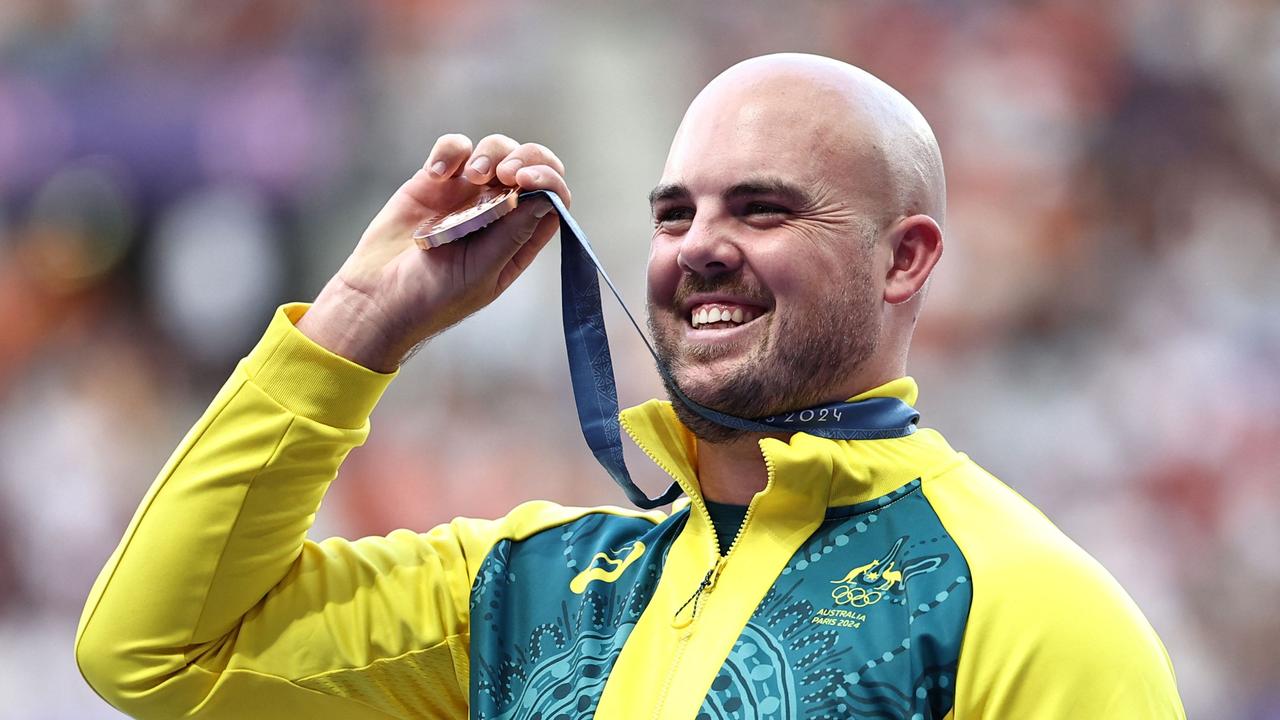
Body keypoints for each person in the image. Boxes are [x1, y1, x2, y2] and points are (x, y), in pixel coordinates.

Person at [75, 53, 1185, 719]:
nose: (695, 247)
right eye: (672, 213)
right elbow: (155, 653)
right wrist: (356, 327)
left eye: (761, 209)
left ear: (903, 258)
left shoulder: (1029, 605)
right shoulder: (525, 593)